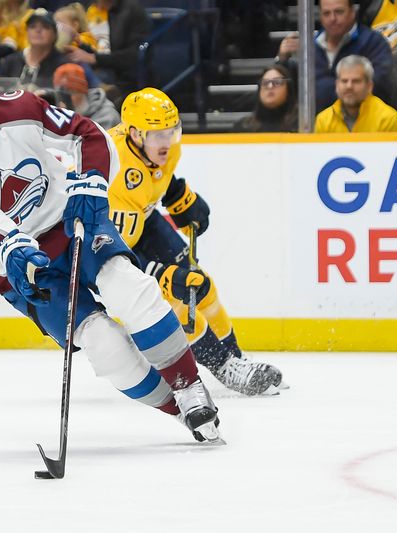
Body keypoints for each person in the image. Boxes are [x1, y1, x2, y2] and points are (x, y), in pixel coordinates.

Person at [0, 53, 224, 444]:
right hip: (21, 266)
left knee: (127, 286)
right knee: (102, 343)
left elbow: (88, 134)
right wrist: (12, 246)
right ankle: (178, 411)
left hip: (71, 224)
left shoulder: (20, 108)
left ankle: (190, 385)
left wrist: (90, 182)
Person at [107, 88, 284, 396]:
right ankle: (223, 366)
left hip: (140, 217)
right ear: (135, 134)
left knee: (199, 284)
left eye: (172, 132)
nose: (168, 142)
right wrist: (158, 273)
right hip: (103, 242)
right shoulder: (119, 174)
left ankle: (237, 361)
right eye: (158, 134)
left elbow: (158, 177)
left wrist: (177, 195)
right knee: (175, 298)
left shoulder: (160, 149)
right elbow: (117, 256)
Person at [276, 0, 393, 112]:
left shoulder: (373, 42)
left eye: (339, 12)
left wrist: (327, 91)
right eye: (326, 13)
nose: (332, 18)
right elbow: (288, 89)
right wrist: (282, 60)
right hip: (318, 126)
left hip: (364, 124)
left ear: (352, 12)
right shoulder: (310, 47)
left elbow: (380, 84)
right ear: (320, 16)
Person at [68, 0, 149, 100]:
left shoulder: (132, 11)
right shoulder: (100, 11)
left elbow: (133, 56)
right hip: (104, 67)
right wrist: (81, 46)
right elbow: (102, 52)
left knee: (75, 81)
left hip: (120, 75)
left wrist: (94, 58)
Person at [315, 55, 397, 133]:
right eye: (344, 81)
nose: (349, 86)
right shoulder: (323, 120)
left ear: (369, 86)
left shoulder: (388, 119)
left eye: (356, 81)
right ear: (337, 85)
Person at [0, 8, 69, 91]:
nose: (38, 30)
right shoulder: (10, 61)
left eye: (45, 27)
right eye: (32, 26)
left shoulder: (63, 65)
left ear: (55, 34)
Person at [52, 62, 120, 129]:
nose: (64, 99)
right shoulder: (57, 112)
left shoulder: (106, 115)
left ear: (81, 92)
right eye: (60, 94)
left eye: (70, 92)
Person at [232, 65, 298, 133]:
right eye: (265, 83)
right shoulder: (243, 127)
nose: (270, 86)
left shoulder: (300, 126)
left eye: (277, 82)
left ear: (288, 90)